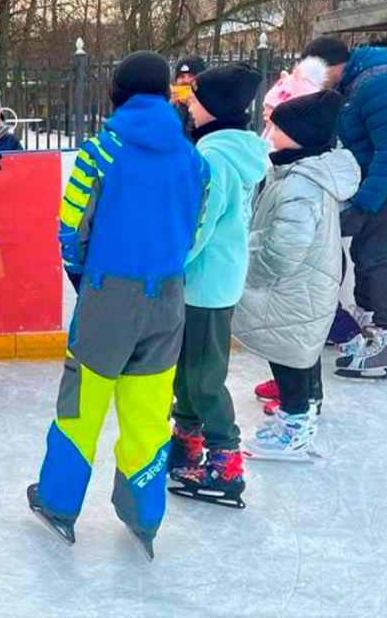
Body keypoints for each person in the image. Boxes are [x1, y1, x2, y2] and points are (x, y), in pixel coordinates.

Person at [27, 51, 209, 559]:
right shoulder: (196, 160)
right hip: (169, 297)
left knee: (81, 407)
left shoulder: (100, 150)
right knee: (149, 413)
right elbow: (194, 233)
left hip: (109, 294)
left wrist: (87, 278)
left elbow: (70, 228)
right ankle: (144, 514)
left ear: (119, 92)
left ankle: (58, 502)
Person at [234, 90, 360, 460]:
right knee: (290, 351)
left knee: (288, 354)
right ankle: (297, 416)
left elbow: (286, 246)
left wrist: (253, 272)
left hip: (293, 285)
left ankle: (295, 431)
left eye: (278, 127)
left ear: (300, 136)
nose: (269, 132)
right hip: (303, 283)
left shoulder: (299, 183)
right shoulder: (298, 171)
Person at [167, 63, 267, 509]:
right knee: (188, 369)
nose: (189, 102)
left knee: (205, 377)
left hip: (205, 283)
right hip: (210, 279)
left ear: (217, 107)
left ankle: (225, 459)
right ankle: (187, 439)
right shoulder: (225, 150)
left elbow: (200, 224)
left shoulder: (215, 159)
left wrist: (170, 260)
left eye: (197, 97)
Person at [302, 37, 387, 379]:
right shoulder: (354, 85)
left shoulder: (381, 84)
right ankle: (370, 329)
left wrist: (364, 204)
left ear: (332, 66)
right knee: (365, 251)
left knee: (375, 253)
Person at [172, 54, 206, 137]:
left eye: (191, 76)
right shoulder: (169, 109)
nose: (186, 81)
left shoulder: (208, 110)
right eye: (181, 76)